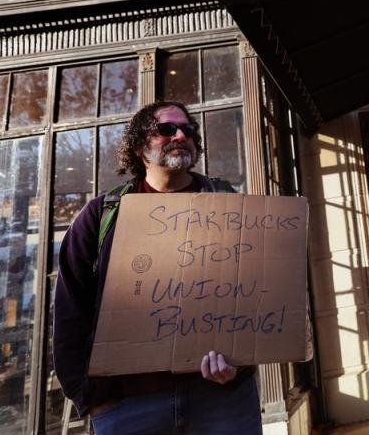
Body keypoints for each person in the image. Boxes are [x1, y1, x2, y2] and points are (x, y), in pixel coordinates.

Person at [53, 101, 262, 434]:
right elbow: (70, 307)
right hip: (128, 407)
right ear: (139, 146)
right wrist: (87, 395)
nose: (181, 135)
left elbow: (253, 288)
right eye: (166, 129)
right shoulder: (102, 214)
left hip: (221, 398)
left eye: (188, 130)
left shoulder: (227, 203)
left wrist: (241, 360)